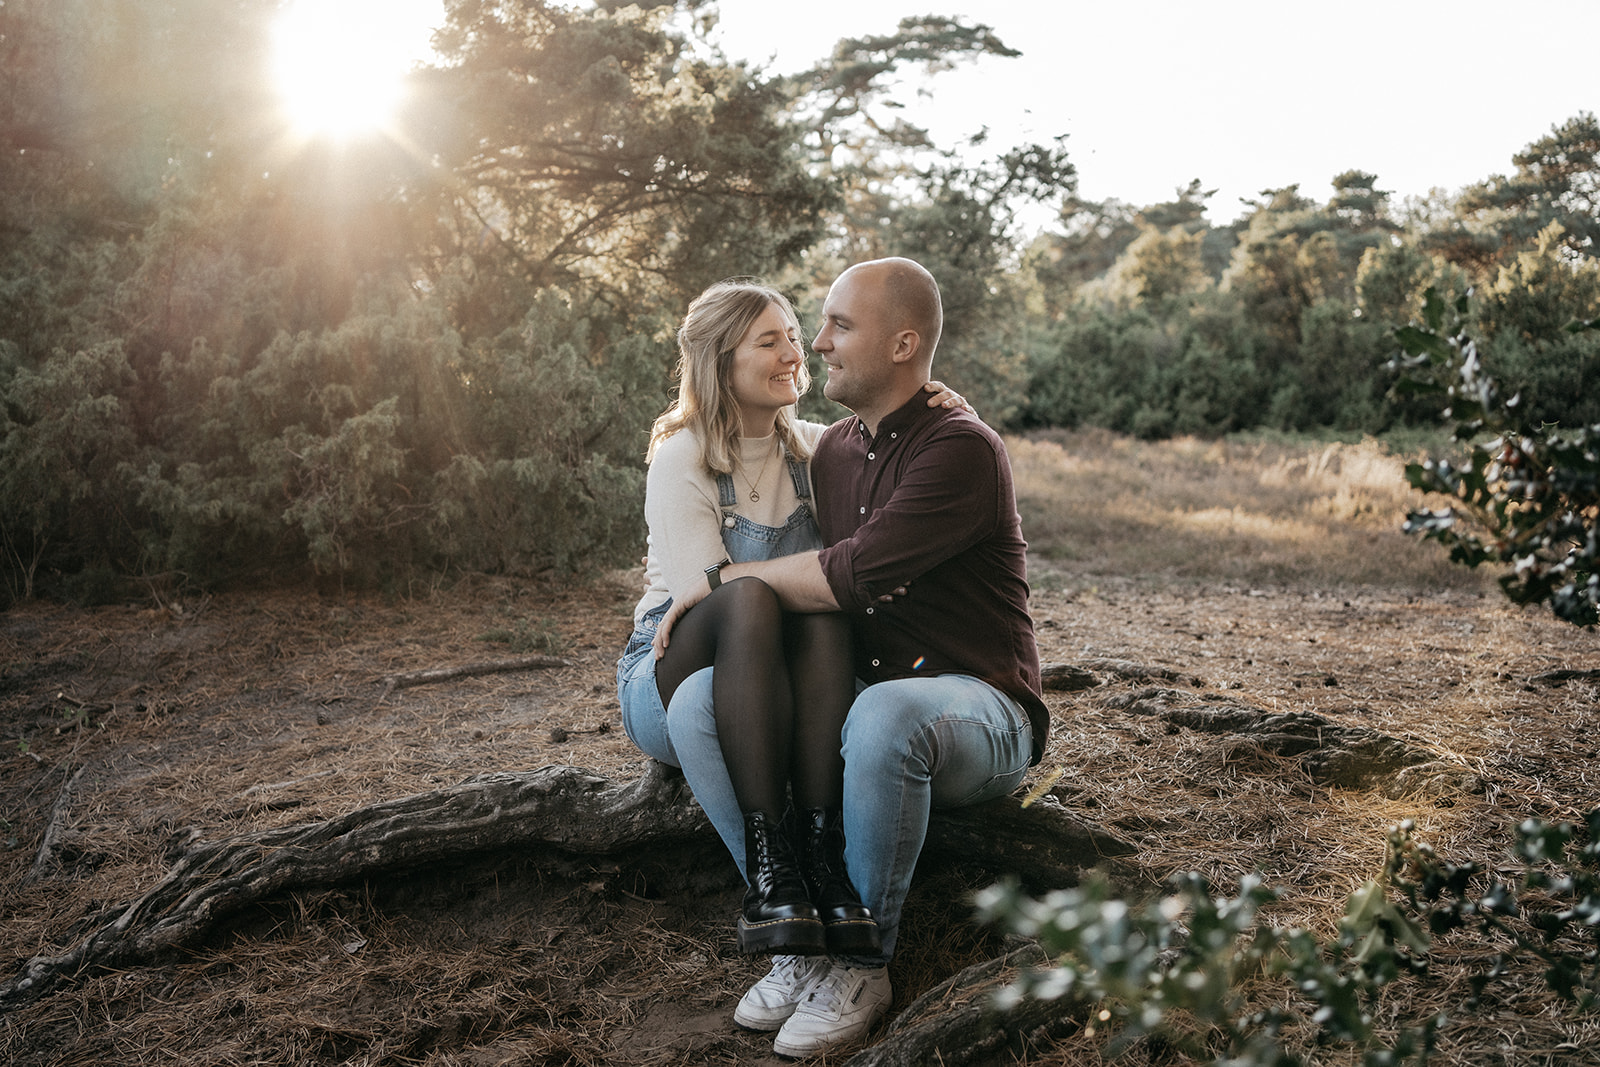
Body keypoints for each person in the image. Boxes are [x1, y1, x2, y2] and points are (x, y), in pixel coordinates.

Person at [653, 257, 1048, 1058]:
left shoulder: (961, 448)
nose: (818, 344)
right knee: (741, 701)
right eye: (810, 328)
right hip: (874, 693)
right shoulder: (829, 451)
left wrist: (727, 580)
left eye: (836, 326)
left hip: (979, 705)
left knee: (881, 712)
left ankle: (862, 961)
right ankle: (795, 921)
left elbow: (851, 575)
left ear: (904, 344)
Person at [615, 280, 971, 964]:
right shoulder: (684, 454)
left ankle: (819, 846)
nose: (795, 352)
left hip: (775, 671)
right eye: (768, 341)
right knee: (749, 596)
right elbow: (701, 595)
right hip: (670, 662)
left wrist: (945, 408)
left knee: (823, 608)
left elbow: (911, 469)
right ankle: (770, 867)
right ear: (721, 361)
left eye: (792, 335)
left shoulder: (817, 448)